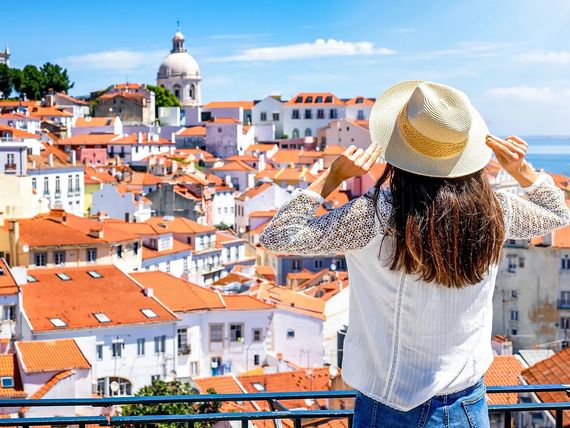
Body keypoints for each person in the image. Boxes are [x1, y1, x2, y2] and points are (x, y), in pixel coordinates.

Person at [259, 81, 570, 427]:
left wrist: (332, 178)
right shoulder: (495, 210)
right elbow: (558, 214)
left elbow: (277, 236)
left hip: (388, 408)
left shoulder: (373, 216)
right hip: (468, 405)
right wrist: (522, 171)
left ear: (400, 152)